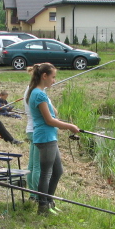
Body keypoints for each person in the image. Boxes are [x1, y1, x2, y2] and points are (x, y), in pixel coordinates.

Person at [26, 63, 79, 215]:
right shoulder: (38, 94)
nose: (54, 81)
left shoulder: (38, 92)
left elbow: (51, 115)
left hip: (50, 136)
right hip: (45, 137)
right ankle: (43, 206)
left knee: (58, 171)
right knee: (46, 173)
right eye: (53, 77)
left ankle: (49, 201)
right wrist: (69, 126)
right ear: (44, 76)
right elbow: (49, 120)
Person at [23, 69, 40, 201]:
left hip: (31, 129)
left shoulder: (30, 89)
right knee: (37, 166)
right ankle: (36, 194)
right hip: (36, 131)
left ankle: (32, 194)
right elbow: (52, 112)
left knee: (32, 165)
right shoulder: (36, 92)